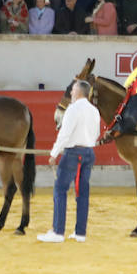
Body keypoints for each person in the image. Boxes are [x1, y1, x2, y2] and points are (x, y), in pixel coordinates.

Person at [40, 79, 101, 243]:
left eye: (73, 90)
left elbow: (64, 134)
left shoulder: (73, 109)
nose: (71, 93)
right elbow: (95, 134)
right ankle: (80, 233)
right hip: (88, 152)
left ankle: (58, 232)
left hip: (73, 153)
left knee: (60, 190)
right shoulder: (94, 111)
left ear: (79, 91)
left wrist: (54, 153)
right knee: (82, 193)